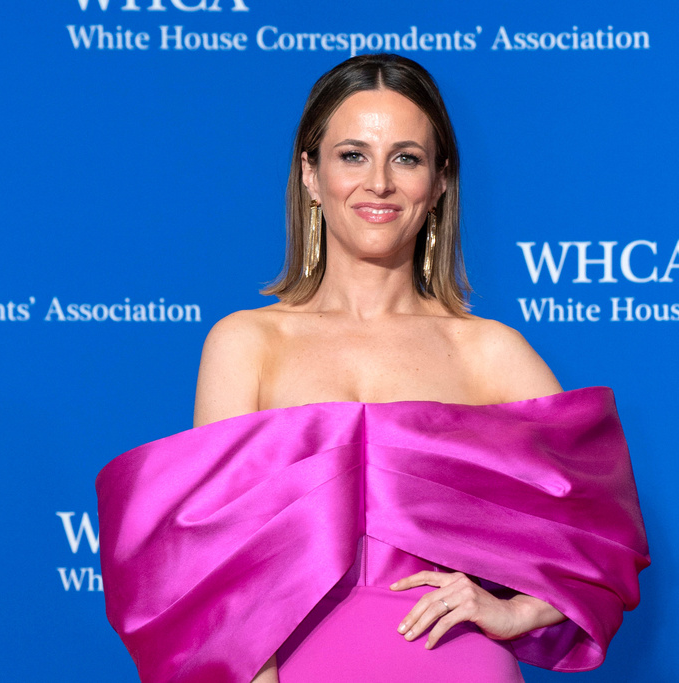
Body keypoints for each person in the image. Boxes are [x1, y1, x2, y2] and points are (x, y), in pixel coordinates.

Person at [96, 54, 649, 683]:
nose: (379, 183)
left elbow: (605, 538)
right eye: (353, 155)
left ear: (440, 182)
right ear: (310, 174)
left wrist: (520, 610)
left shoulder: (489, 352)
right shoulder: (246, 344)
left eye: (406, 158)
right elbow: (213, 574)